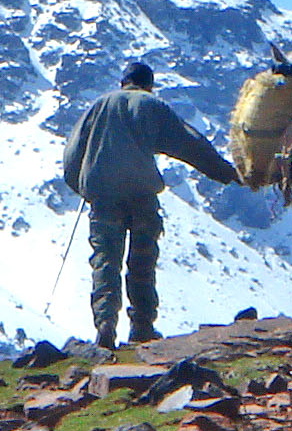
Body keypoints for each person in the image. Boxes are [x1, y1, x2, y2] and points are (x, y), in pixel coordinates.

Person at [62, 61, 241, 349]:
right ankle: (142, 327)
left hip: (104, 197)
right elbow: (189, 142)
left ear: (123, 82)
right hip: (142, 194)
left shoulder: (98, 106)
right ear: (149, 84)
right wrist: (225, 172)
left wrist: (84, 188)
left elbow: (72, 155)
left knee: (106, 261)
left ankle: (106, 323)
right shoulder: (151, 105)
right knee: (142, 261)